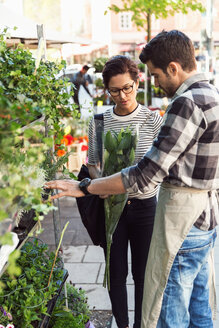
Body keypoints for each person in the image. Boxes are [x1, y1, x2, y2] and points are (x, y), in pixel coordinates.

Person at [45, 30, 219, 328]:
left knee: (169, 314)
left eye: (154, 75)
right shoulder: (212, 95)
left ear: (173, 68)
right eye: (115, 90)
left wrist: (84, 187)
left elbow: (145, 174)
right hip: (204, 220)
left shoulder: (183, 104)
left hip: (180, 224)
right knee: (201, 312)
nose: (156, 83)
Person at [87, 55, 163, 328]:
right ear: (107, 90)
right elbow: (92, 165)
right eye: (114, 90)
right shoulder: (99, 122)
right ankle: (122, 324)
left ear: (137, 82)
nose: (122, 96)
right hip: (112, 209)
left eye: (127, 88)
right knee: (116, 273)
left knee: (143, 275)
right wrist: (102, 185)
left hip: (144, 208)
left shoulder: (152, 121)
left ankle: (142, 324)